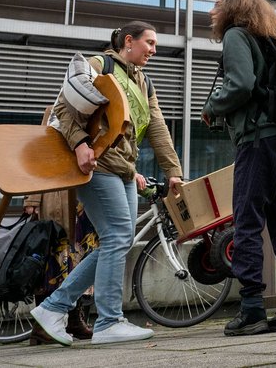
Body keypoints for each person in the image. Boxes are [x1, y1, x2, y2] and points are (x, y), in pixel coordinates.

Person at [31, 21, 184, 346]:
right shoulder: (101, 65)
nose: (154, 50)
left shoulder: (144, 82)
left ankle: (53, 308)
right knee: (116, 236)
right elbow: (63, 106)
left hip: (124, 168)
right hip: (98, 164)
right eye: (150, 43)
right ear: (129, 40)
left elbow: (157, 126)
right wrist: (80, 144)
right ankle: (109, 321)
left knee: (119, 240)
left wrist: (173, 170)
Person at [202, 0, 276, 336]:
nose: (212, 11)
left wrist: (212, 106)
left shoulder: (236, 35)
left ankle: (252, 307)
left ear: (232, 8)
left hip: (257, 142)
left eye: (217, 5)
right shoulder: (272, 36)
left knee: (247, 221)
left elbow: (241, 84)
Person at [24, 191, 96, 344]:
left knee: (79, 258)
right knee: (54, 261)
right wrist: (32, 199)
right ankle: (41, 327)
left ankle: (74, 321)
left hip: (80, 197)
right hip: (56, 196)